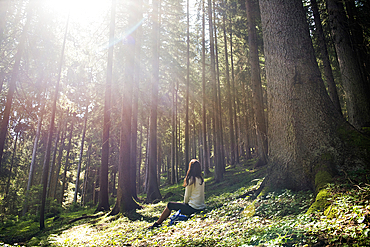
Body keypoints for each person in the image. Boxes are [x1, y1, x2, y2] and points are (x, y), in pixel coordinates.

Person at [148, 159, 206, 229]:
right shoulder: (201, 180)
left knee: (170, 204)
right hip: (201, 207)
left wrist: (184, 205)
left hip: (192, 208)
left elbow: (187, 196)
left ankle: (157, 223)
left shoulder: (191, 179)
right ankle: (158, 223)